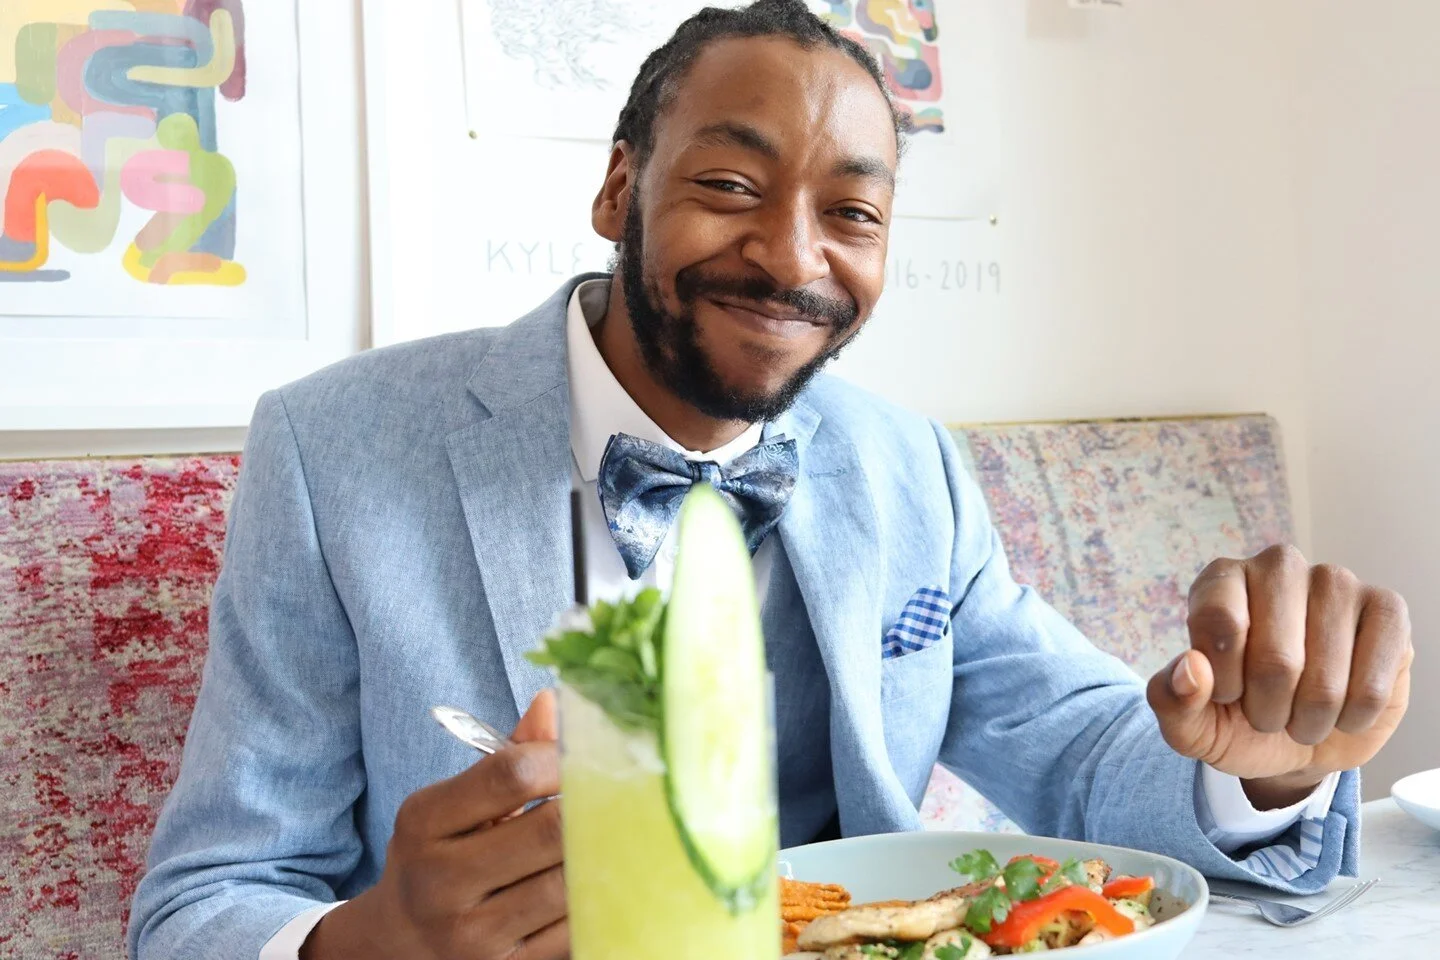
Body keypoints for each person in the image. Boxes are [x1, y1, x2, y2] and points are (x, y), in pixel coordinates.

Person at [128, 2, 1413, 958]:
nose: (790, 255)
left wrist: (1262, 772)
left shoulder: (913, 466)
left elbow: (1081, 752)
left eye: (851, 213)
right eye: (731, 186)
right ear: (620, 187)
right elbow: (205, 900)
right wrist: (367, 941)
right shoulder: (333, 450)